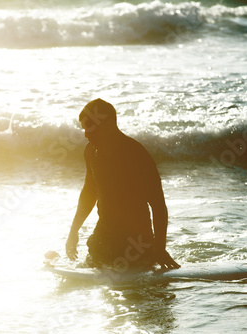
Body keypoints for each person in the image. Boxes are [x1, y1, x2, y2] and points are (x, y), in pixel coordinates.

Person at [65, 98, 180, 270]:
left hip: (135, 239)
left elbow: (158, 205)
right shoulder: (91, 152)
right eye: (84, 128)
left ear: (109, 123)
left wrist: (159, 248)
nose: (86, 134)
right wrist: (73, 232)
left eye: (91, 127)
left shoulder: (136, 154)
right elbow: (89, 192)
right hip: (104, 234)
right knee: (96, 267)